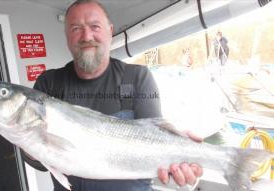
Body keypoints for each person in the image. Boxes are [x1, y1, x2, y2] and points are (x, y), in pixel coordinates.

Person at [24, 0, 203, 190]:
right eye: (76, 28)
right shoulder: (49, 83)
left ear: (110, 31)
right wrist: (29, 146)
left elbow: (155, 135)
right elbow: (40, 164)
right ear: (67, 36)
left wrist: (182, 159)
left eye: (95, 26)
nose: (86, 36)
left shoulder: (137, 77)